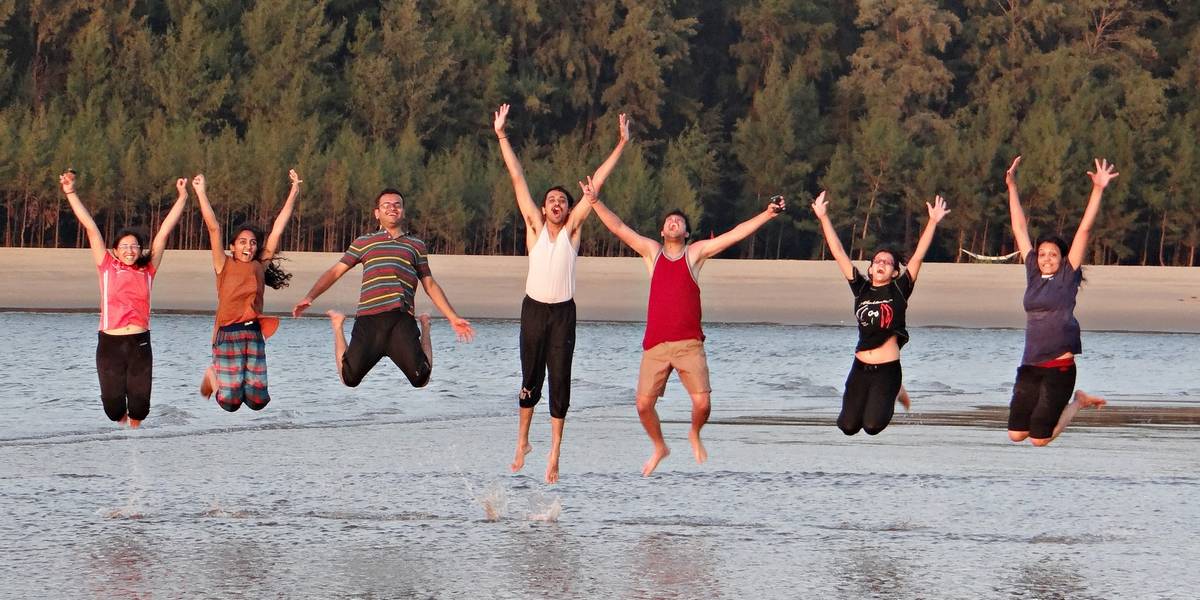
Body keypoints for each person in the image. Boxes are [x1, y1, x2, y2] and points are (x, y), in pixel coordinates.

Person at [589, 184, 786, 476]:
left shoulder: (693, 255)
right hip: (655, 345)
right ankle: (660, 447)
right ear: (662, 231)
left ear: (686, 233)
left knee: (703, 403)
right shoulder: (652, 253)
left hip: (689, 344)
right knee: (643, 405)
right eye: (669, 221)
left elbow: (734, 234)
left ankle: (694, 432)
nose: (673, 222)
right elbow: (619, 227)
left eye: (679, 222)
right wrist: (594, 202)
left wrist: (767, 214)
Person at [494, 103, 630, 483]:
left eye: (564, 201)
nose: (558, 204)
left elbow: (595, 187)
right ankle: (522, 441)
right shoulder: (534, 229)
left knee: (560, 382)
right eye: (552, 200)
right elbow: (518, 178)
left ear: (569, 210)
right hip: (534, 312)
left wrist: (621, 143)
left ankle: (554, 453)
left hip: (563, 315)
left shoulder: (572, 232)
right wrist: (502, 136)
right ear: (542, 208)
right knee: (529, 379)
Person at [291, 189, 474, 390]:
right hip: (369, 320)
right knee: (349, 379)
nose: (392, 208)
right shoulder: (364, 242)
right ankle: (337, 325)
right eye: (386, 205)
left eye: (397, 204)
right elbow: (335, 272)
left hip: (400, 319)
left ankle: (426, 326)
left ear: (403, 211)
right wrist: (310, 296)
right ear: (377, 213)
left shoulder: (416, 245)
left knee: (421, 379)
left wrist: (453, 318)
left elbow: (429, 284)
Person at [812, 190, 950, 436]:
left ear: (895, 272)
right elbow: (839, 254)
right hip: (860, 367)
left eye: (887, 262)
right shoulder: (861, 288)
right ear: (871, 267)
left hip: (887, 370)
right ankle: (893, 392)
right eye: (877, 261)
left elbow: (918, 257)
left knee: (873, 426)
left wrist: (932, 222)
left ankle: (896, 388)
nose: (881, 264)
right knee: (847, 427)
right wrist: (823, 217)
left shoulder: (899, 289)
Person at [60, 170, 188, 428]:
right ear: (116, 251)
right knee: (112, 407)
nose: (130, 250)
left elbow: (163, 233)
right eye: (125, 247)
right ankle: (122, 437)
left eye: (135, 246)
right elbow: (90, 227)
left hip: (139, 342)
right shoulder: (107, 266)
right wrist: (70, 192)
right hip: (110, 343)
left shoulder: (148, 268)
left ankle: (135, 440)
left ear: (141, 250)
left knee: (140, 407)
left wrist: (183, 197)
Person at [1004, 156, 1113, 446]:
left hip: (1059, 367)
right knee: (1016, 435)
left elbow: (1084, 231)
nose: (1047, 258)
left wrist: (1098, 189)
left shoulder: (1068, 274)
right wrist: (1012, 186)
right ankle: (1073, 402)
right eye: (1042, 254)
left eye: (1053, 254)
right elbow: (1019, 229)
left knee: (1040, 439)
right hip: (1030, 364)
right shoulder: (1032, 273)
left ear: (1062, 258)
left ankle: (1078, 402)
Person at [194, 170, 300, 412]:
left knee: (257, 402)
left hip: (253, 335)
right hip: (228, 334)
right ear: (232, 246)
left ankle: (228, 379)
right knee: (230, 403)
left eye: (252, 242)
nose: (248, 246)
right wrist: (201, 193)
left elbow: (277, 230)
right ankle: (213, 376)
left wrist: (294, 191)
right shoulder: (224, 265)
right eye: (242, 242)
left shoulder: (259, 266)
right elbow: (214, 229)